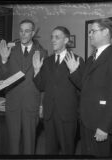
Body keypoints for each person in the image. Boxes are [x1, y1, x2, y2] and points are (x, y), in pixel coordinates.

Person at [64, 18, 112, 157]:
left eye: (93, 31)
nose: (89, 34)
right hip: (86, 121)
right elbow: (85, 87)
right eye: (89, 31)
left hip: (100, 124)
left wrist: (105, 127)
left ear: (106, 32)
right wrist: (74, 72)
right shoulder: (91, 59)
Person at [33, 26, 84, 154]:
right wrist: (36, 70)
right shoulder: (47, 61)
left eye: (57, 37)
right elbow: (41, 86)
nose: (53, 40)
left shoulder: (77, 60)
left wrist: (74, 71)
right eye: (52, 37)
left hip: (67, 115)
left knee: (68, 150)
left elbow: (82, 87)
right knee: (50, 150)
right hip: (49, 114)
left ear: (66, 40)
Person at [0, 19, 47, 154]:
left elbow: (43, 83)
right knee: (13, 142)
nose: (23, 34)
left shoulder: (42, 52)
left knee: (30, 142)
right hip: (13, 103)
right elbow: (2, 77)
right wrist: (3, 60)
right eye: (21, 31)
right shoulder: (10, 50)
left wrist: (42, 105)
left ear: (32, 33)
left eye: (26, 31)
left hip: (31, 104)